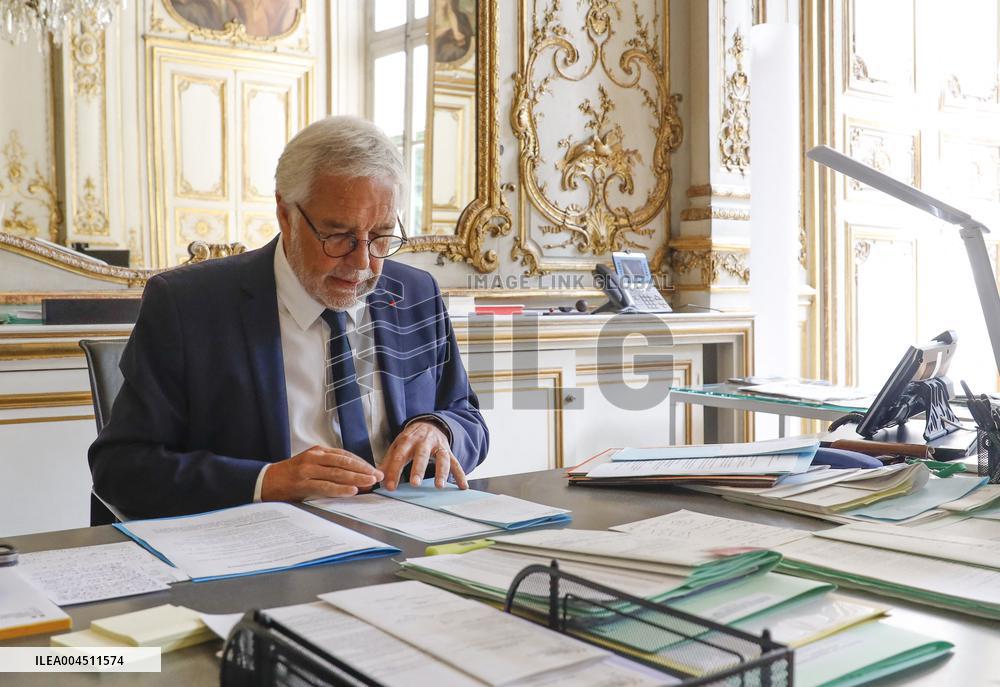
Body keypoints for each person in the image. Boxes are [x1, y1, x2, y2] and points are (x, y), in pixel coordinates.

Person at [89, 116, 489, 519]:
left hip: (406, 532)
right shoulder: (187, 305)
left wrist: (439, 430)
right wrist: (267, 481)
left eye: (382, 235)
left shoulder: (415, 294)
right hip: (263, 548)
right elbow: (121, 468)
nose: (364, 261)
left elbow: (467, 417)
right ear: (285, 214)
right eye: (338, 236)